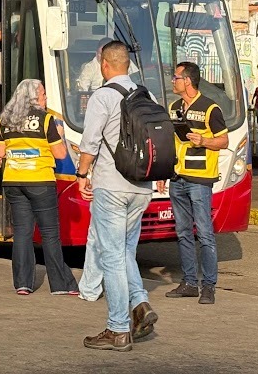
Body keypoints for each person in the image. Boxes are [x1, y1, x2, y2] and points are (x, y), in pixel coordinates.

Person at [75, 40, 156, 352]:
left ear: (104, 65)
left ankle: (118, 329)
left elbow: (90, 142)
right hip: (142, 187)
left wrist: (82, 174)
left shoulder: (103, 96)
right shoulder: (146, 95)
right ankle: (140, 303)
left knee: (111, 256)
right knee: (124, 251)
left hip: (111, 185)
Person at [0, 78, 78, 296]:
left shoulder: (4, 121)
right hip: (40, 180)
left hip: (13, 181)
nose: (46, 98)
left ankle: (23, 284)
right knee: (50, 233)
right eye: (43, 94)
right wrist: (60, 137)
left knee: (22, 233)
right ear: (34, 97)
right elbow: (60, 154)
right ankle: (61, 285)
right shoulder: (46, 119)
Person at [166, 60, 229, 305]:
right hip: (177, 177)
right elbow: (171, 143)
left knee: (204, 233)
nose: (173, 81)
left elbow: (223, 142)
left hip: (200, 179)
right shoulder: (174, 108)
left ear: (187, 81)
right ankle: (189, 282)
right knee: (182, 232)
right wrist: (165, 173)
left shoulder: (210, 109)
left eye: (176, 78)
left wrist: (203, 141)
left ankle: (209, 286)